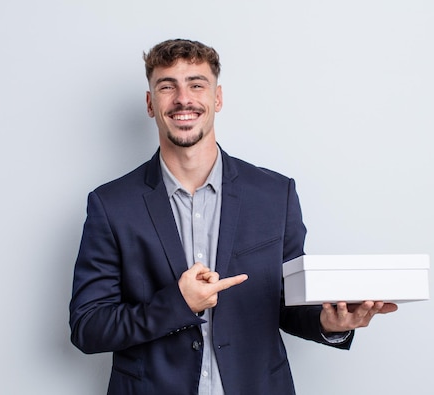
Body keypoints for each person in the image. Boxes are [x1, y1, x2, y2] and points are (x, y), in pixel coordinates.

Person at [69, 38, 398, 395]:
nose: (183, 99)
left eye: (197, 84)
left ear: (217, 98)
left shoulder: (275, 194)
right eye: (167, 87)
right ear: (151, 103)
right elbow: (88, 327)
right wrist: (177, 305)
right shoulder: (111, 204)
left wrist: (329, 322)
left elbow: (289, 302)